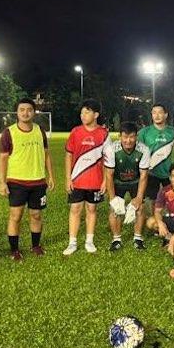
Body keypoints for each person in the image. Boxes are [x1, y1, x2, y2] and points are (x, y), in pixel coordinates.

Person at [0, 97, 55, 261]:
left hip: (38, 181)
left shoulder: (40, 130)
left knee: (36, 215)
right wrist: (2, 182)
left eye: (29, 109)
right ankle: (14, 250)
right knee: (16, 216)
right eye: (22, 109)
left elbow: (46, 154)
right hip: (17, 182)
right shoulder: (9, 132)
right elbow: (2, 159)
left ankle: (35, 246)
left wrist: (50, 176)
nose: (25, 113)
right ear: (17, 112)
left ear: (34, 112)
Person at [63, 99, 110, 255]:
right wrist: (68, 178)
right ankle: (72, 242)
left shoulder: (104, 134)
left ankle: (89, 241)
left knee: (91, 209)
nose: (83, 115)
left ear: (96, 114)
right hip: (77, 179)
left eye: (87, 112)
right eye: (82, 112)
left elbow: (108, 160)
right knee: (75, 209)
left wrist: (105, 180)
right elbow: (68, 155)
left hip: (95, 181)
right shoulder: (75, 132)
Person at [104, 121, 151, 251]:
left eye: (131, 137)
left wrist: (138, 198)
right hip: (118, 181)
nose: (128, 140)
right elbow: (109, 174)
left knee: (140, 207)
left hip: (135, 181)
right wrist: (113, 198)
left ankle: (138, 238)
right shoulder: (111, 149)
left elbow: (143, 176)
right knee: (115, 209)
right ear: (120, 136)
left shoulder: (144, 150)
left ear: (136, 137)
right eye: (125, 137)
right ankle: (116, 239)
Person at [138, 103, 174, 205]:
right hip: (151, 172)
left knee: (171, 199)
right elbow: (137, 152)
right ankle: (154, 219)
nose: (157, 115)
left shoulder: (173, 132)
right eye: (154, 113)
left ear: (166, 115)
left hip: (168, 173)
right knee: (152, 200)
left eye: (160, 112)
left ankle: (170, 218)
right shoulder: (144, 132)